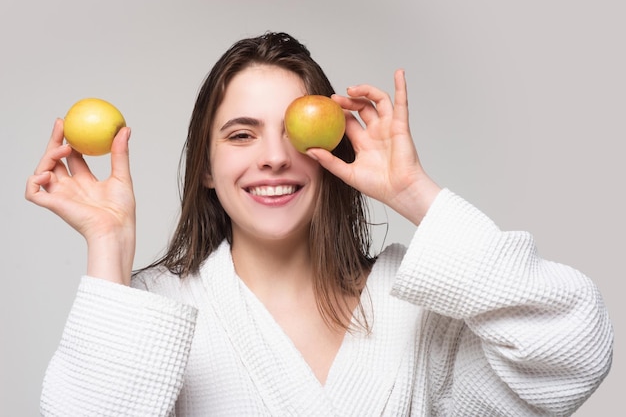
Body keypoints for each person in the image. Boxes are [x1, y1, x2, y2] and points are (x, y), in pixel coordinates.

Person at [26, 32, 612, 416]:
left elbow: (573, 352)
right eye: (241, 134)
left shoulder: (417, 305)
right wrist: (108, 246)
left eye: (295, 130)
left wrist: (414, 193)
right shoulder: (157, 311)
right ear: (206, 167)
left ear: (331, 150)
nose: (274, 157)